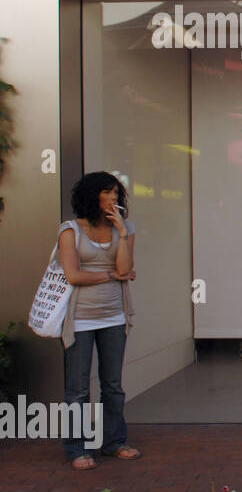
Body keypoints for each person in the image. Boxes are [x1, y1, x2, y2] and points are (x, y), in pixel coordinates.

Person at [56, 171, 140, 470]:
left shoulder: (124, 228)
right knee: (78, 388)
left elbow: (127, 268)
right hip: (79, 319)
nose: (114, 197)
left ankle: (114, 442)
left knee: (113, 384)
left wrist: (121, 230)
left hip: (114, 315)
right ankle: (76, 448)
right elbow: (73, 275)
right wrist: (110, 276)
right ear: (93, 196)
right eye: (108, 192)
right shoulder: (70, 231)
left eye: (116, 192)